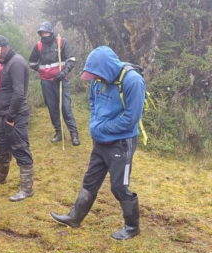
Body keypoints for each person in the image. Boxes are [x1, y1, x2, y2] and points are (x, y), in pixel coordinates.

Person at [50, 46, 145, 240]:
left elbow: (131, 118)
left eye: (96, 75)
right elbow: (93, 102)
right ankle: (74, 217)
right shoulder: (97, 80)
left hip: (122, 143)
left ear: (106, 69)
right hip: (100, 141)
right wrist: (95, 123)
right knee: (90, 180)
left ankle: (132, 227)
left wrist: (103, 128)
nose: (94, 79)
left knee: (119, 187)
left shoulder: (133, 81)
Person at [0, 35, 34, 202]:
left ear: (4, 47)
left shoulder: (16, 63)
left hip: (16, 115)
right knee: (3, 147)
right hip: (6, 115)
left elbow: (19, 93)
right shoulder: (7, 62)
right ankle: (0, 177)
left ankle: (27, 189)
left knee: (20, 148)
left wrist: (11, 117)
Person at [29, 21, 80, 146]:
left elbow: (71, 60)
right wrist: (42, 71)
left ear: (51, 32)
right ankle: (58, 133)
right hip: (46, 82)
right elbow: (32, 62)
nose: (44, 35)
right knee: (52, 108)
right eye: (42, 33)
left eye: (46, 32)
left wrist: (64, 72)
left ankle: (74, 134)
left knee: (66, 107)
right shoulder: (38, 46)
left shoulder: (61, 42)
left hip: (61, 80)